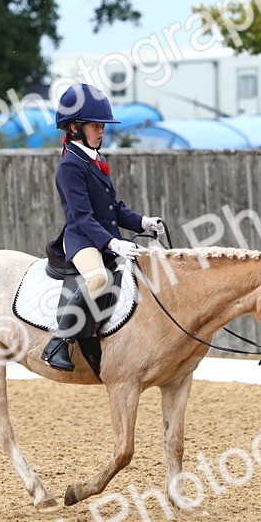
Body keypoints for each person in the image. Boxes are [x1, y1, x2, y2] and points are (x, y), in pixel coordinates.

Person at [41, 83, 165, 372]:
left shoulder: (96, 161)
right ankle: (58, 343)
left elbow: (114, 209)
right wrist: (112, 243)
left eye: (102, 126)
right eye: (95, 126)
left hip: (103, 238)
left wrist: (143, 221)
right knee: (97, 278)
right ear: (74, 127)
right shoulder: (71, 165)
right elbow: (83, 217)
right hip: (82, 241)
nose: (101, 131)